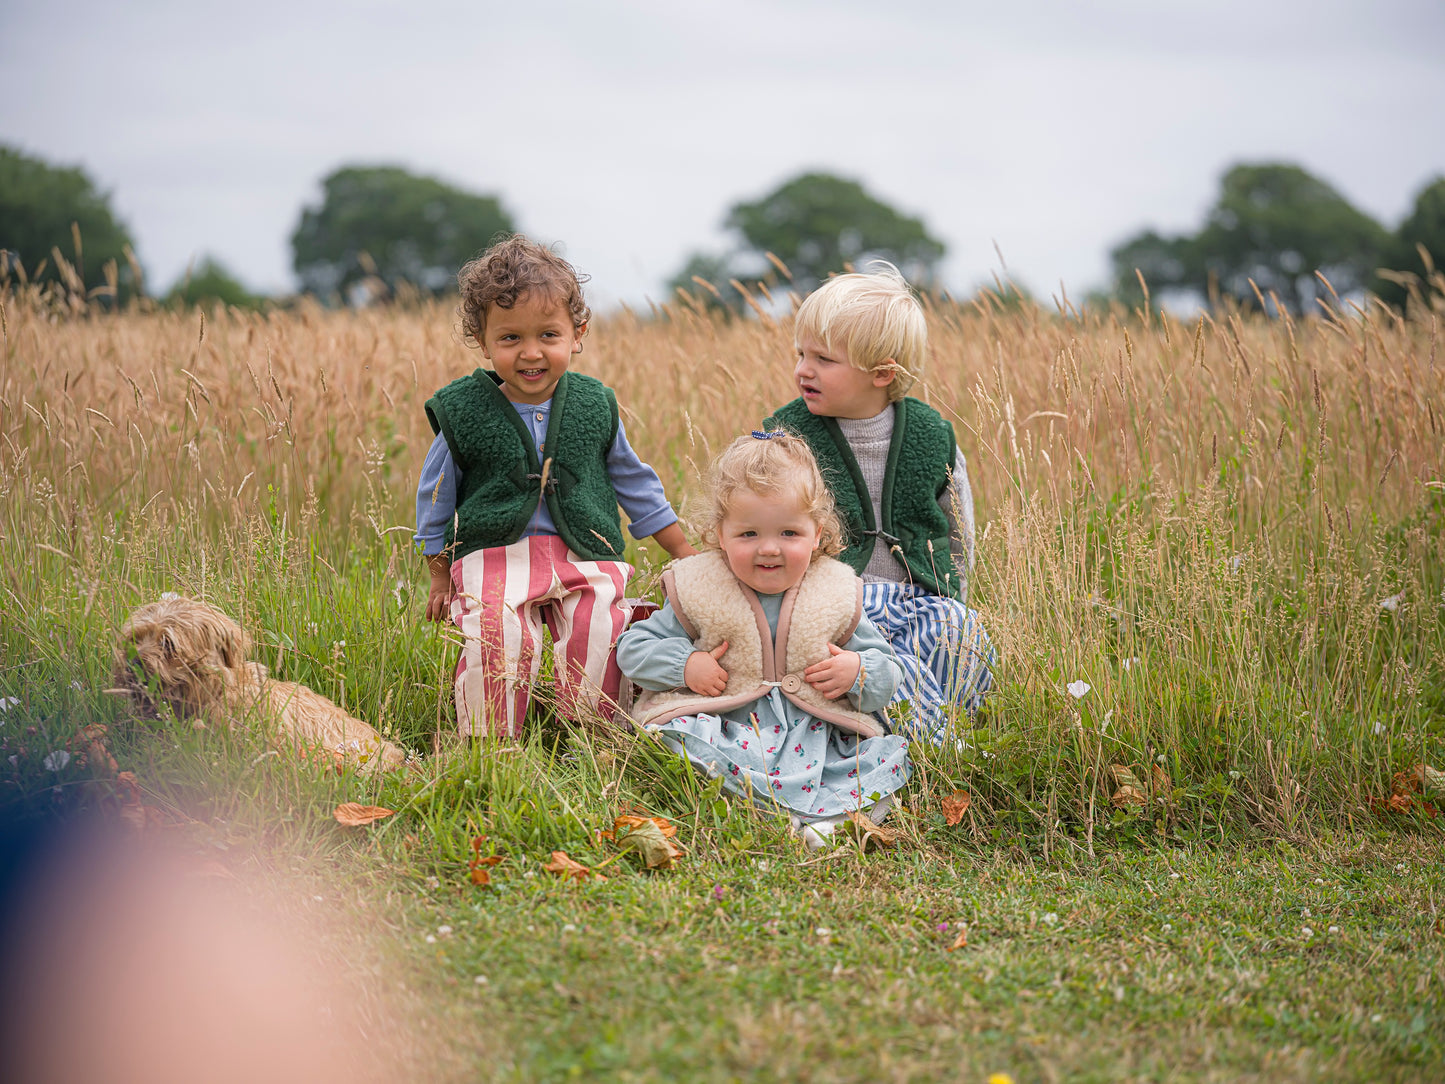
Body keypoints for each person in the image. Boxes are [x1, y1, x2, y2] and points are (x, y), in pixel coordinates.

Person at [416, 236, 694, 738]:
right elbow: (436, 497)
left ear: (577, 332)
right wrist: (440, 574)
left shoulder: (592, 404)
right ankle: (487, 743)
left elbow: (635, 483)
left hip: (586, 550)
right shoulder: (464, 410)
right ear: (483, 341)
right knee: (497, 633)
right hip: (495, 551)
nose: (531, 353)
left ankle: (592, 736)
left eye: (548, 334)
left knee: (602, 628)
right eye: (509, 339)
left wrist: (682, 552)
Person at [616, 431, 908, 850]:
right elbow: (634, 648)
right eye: (748, 534)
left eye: (789, 533)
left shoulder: (834, 591)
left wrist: (856, 673)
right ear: (719, 533)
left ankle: (830, 824)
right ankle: (753, 815)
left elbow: (886, 668)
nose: (768, 549)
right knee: (678, 741)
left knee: (883, 758)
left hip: (815, 733)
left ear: (817, 533)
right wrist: (685, 665)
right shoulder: (701, 586)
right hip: (728, 724)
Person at [765, 265, 994, 745]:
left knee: (959, 632)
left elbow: (958, 529)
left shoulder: (931, 437)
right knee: (828, 661)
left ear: (883, 373)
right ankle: (884, 735)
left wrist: (953, 591)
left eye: (823, 359)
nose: (803, 369)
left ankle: (933, 732)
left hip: (915, 597)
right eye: (800, 353)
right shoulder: (788, 436)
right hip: (827, 600)